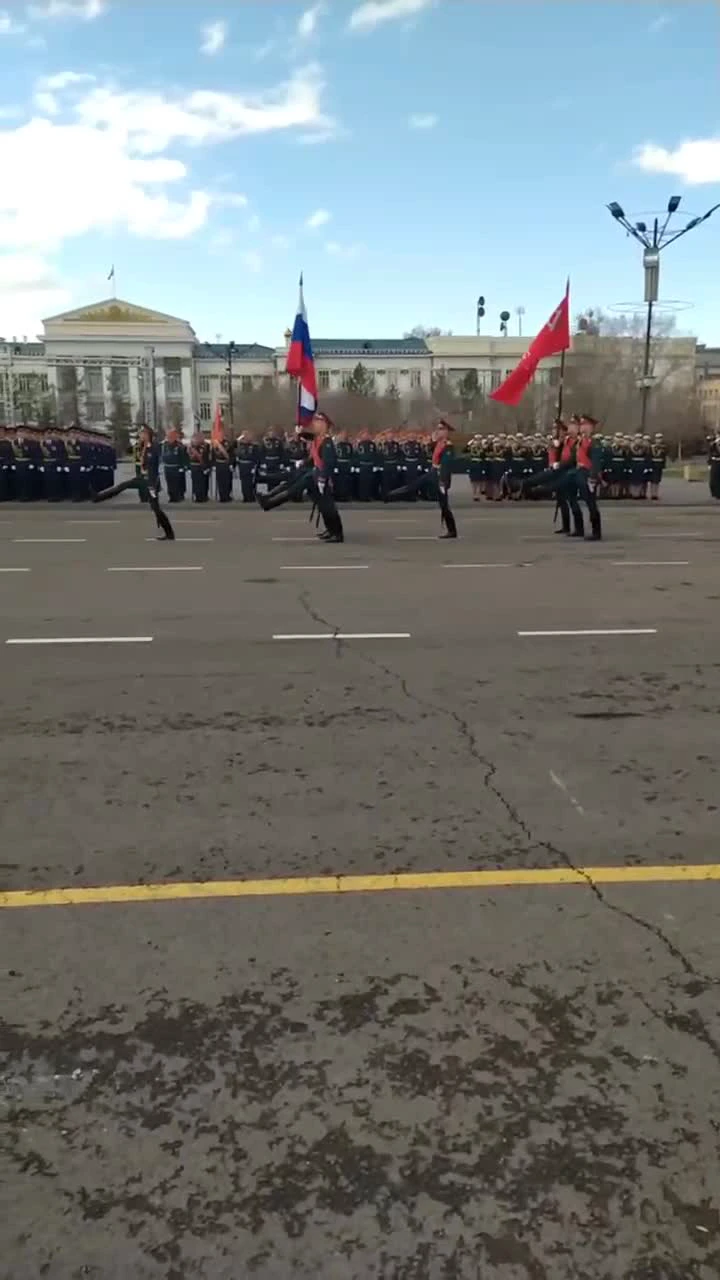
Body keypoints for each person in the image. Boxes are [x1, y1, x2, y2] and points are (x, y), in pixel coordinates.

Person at [92, 425, 175, 540]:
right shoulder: (143, 446)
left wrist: (152, 485)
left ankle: (169, 533)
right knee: (123, 485)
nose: (140, 436)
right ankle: (98, 497)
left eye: (142, 434)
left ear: (147, 435)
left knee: (156, 508)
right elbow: (131, 452)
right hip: (142, 478)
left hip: (151, 481)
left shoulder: (154, 447)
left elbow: (153, 468)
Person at [385, 418, 458, 538]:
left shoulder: (448, 446)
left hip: (439, 476)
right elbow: (429, 451)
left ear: (446, 432)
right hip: (433, 472)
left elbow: (446, 465)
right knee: (415, 485)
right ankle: (392, 495)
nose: (438, 431)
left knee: (444, 505)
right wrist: (432, 441)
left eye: (441, 429)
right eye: (438, 429)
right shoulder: (439, 443)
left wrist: (443, 482)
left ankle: (452, 530)